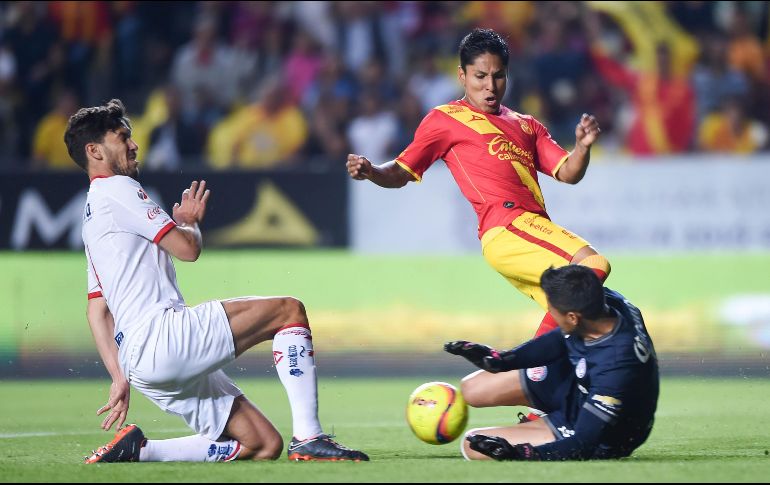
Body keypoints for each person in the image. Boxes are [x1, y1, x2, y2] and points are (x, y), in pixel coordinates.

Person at [65, 99, 368, 463]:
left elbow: (96, 311)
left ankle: (142, 451)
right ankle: (308, 437)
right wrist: (190, 221)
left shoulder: (92, 215)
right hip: (163, 338)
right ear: (94, 150)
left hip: (140, 364)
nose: (133, 144)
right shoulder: (119, 189)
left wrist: (119, 376)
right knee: (288, 311)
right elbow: (187, 249)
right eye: (122, 137)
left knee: (261, 444)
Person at [346, 28, 611, 413]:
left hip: (529, 230)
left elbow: (568, 173)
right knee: (593, 266)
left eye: (498, 75)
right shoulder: (445, 119)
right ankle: (523, 372)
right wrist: (372, 171)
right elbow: (401, 172)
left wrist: (582, 148)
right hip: (506, 227)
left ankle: (539, 406)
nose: (491, 86)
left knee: (575, 315)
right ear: (462, 76)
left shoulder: (527, 125)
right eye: (480, 76)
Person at [445, 265, 659, 461]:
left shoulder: (616, 365)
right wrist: (501, 360)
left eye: (553, 311)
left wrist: (522, 453)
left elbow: (583, 444)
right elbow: (560, 338)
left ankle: (545, 428)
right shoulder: (602, 303)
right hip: (574, 380)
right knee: (471, 388)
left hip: (602, 429)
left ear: (573, 317)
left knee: (471, 444)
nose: (552, 315)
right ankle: (541, 424)